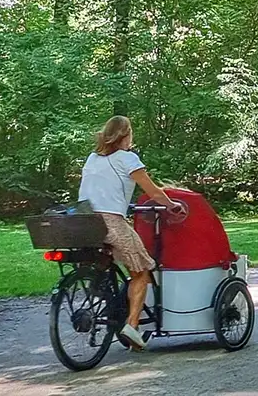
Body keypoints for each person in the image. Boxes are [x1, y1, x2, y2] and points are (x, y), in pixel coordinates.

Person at [77, 115, 185, 351]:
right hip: (112, 222)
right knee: (141, 271)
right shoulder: (128, 159)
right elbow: (153, 192)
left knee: (108, 262)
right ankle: (132, 326)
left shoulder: (92, 158)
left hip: (85, 221)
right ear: (125, 135)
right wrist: (172, 205)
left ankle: (108, 302)